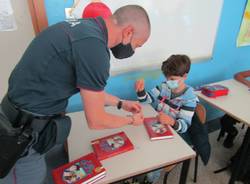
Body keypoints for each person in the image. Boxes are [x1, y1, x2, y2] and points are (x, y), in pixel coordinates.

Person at [0, 5, 150, 184]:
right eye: (137, 45)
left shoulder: (84, 28)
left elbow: (90, 91)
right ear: (128, 32)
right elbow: (96, 121)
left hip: (24, 119)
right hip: (21, 136)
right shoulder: (94, 50)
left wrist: (120, 103)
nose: (134, 51)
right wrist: (131, 120)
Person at [135, 54, 198, 183]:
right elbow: (147, 100)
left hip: (174, 135)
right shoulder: (165, 86)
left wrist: (171, 121)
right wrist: (141, 91)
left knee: (155, 157)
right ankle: (140, 171)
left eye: (172, 79)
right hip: (157, 127)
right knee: (138, 142)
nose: (169, 82)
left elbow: (184, 126)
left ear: (185, 76)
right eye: (167, 78)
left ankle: (150, 180)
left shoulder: (189, 99)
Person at [218, 70, 250, 148]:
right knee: (225, 120)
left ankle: (240, 157)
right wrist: (248, 83)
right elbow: (237, 75)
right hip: (246, 104)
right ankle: (233, 132)